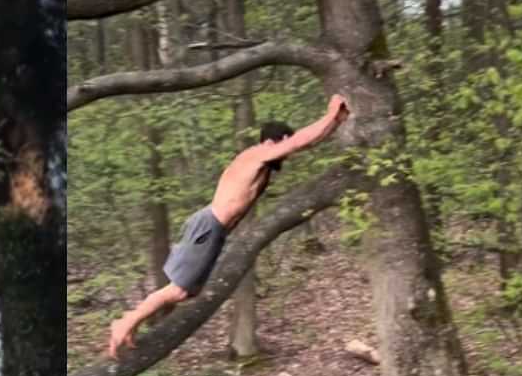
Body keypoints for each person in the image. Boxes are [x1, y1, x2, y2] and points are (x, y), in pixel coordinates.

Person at [106, 93, 352, 359]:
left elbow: (307, 143)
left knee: (188, 291)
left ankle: (132, 321)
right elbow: (301, 141)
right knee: (178, 290)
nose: (287, 154)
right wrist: (329, 114)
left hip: (214, 229)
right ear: (272, 142)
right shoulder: (257, 155)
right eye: (284, 145)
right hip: (209, 224)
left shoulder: (263, 165)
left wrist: (335, 122)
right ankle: (125, 322)